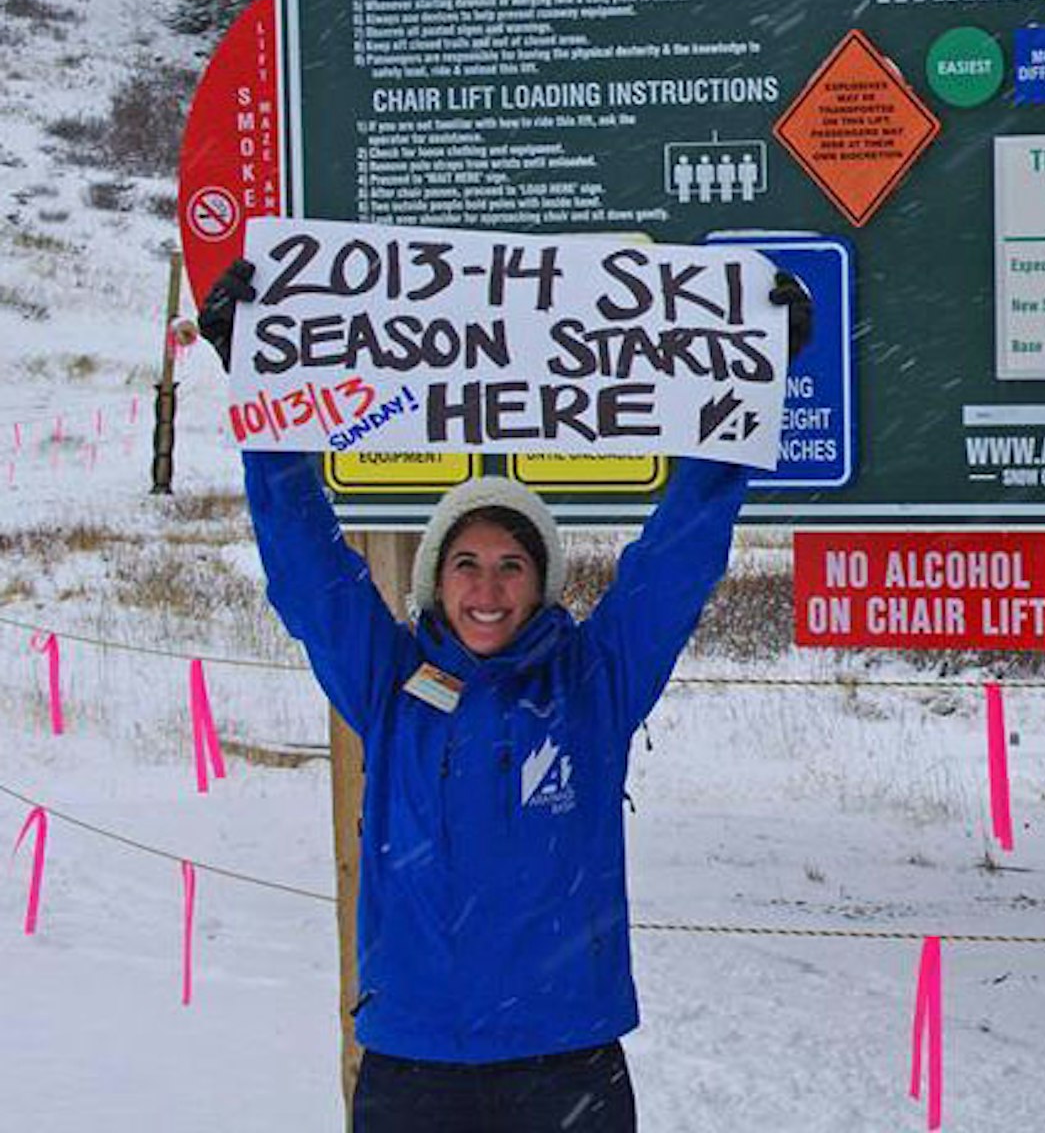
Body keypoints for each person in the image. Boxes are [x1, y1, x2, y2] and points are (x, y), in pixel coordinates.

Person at [199, 257, 811, 1133]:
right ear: (437, 581)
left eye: (511, 566)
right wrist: (260, 386)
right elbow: (306, 567)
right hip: (415, 1060)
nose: (488, 589)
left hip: (564, 1059)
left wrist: (759, 377)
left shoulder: (595, 680)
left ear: (542, 583)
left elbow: (677, 556)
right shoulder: (389, 682)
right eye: (467, 565)